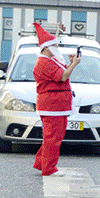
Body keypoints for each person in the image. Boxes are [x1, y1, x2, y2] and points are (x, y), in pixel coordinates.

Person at [32, 23, 80, 177]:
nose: (57, 47)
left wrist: (71, 63)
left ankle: (42, 163)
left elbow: (63, 72)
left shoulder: (50, 60)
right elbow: (63, 76)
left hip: (56, 105)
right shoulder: (44, 63)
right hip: (52, 106)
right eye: (54, 45)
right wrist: (74, 64)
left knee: (52, 137)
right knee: (53, 138)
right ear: (47, 47)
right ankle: (49, 168)